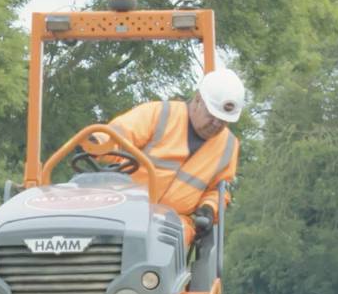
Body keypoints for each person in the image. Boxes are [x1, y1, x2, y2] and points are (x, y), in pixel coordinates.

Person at [91, 68, 245, 244]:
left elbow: (217, 190)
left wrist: (209, 209)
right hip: (123, 208)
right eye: (212, 115)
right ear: (197, 100)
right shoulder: (159, 114)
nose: (217, 124)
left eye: (224, 120)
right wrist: (97, 143)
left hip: (173, 225)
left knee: (166, 241)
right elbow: (119, 134)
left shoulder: (228, 146)